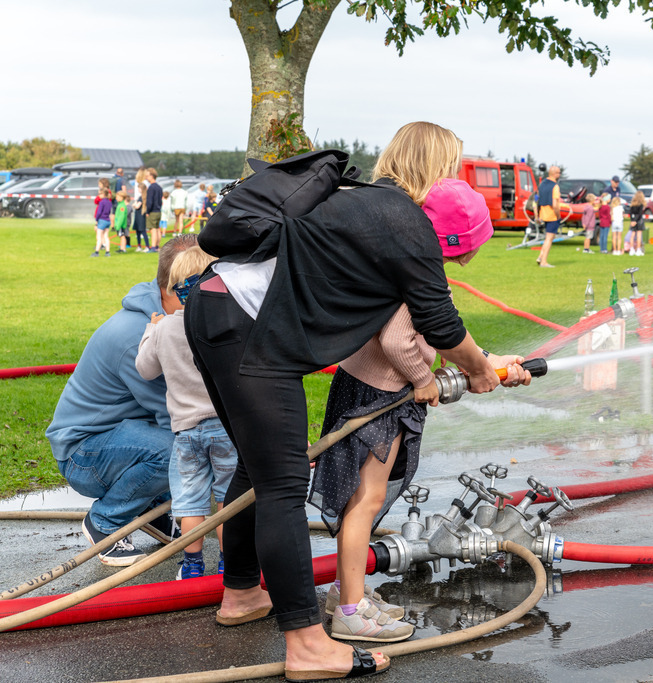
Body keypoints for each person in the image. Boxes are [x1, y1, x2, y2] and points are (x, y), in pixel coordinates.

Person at [183, 121, 530, 680]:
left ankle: (243, 592)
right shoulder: (406, 220)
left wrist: (477, 362)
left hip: (213, 302)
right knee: (283, 484)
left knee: (257, 466)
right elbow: (439, 324)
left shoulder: (358, 199)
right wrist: (479, 370)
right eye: (453, 168)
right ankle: (307, 644)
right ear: (437, 169)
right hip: (249, 327)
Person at [314, 178, 528, 644]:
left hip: (364, 388)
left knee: (358, 501)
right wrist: (422, 378)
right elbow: (397, 340)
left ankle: (346, 593)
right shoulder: (420, 273)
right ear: (458, 240)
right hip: (379, 398)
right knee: (365, 501)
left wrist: (487, 361)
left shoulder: (404, 259)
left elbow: (439, 331)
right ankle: (350, 612)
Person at [46, 236, 196, 566]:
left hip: (115, 437)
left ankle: (152, 511)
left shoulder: (164, 318)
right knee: (181, 448)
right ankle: (105, 522)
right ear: (172, 289)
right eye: (197, 288)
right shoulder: (137, 337)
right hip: (82, 455)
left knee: (187, 445)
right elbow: (175, 414)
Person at [136, 246, 237, 580]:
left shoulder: (165, 328)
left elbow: (145, 369)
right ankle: (229, 563)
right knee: (227, 499)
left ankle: (192, 565)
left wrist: (151, 330)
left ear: (174, 288)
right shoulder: (225, 322)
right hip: (225, 427)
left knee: (190, 502)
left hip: (186, 432)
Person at [536, 165, 561, 268]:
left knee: (548, 237)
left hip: (543, 214)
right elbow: (555, 204)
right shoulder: (555, 186)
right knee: (549, 238)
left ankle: (540, 257)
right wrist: (558, 215)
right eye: (559, 173)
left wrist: (538, 215)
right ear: (555, 174)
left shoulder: (542, 184)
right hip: (552, 215)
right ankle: (544, 262)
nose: (560, 175)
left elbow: (538, 200)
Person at [144, 168, 163, 252]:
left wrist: (147, 211)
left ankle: (153, 247)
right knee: (157, 228)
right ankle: (157, 246)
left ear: (152, 176)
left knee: (153, 229)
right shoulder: (159, 187)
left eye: (147, 176)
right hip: (158, 210)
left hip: (152, 211)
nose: (146, 177)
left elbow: (150, 201)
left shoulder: (151, 187)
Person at [93, 188, 113, 257]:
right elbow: (109, 212)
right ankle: (107, 252)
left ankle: (96, 252)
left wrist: (96, 221)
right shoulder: (109, 202)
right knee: (106, 237)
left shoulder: (101, 202)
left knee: (99, 237)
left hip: (102, 220)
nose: (98, 195)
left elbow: (99, 213)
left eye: (100, 194)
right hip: (108, 220)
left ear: (103, 194)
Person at [133, 169, 148, 251]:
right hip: (138, 215)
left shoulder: (142, 198)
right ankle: (139, 246)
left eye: (139, 189)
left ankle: (147, 246)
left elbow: (137, 206)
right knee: (138, 231)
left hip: (140, 215)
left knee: (142, 231)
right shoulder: (140, 197)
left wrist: (134, 205)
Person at [628, 190, 647, 255]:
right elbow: (639, 214)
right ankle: (638, 250)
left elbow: (630, 213)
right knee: (639, 236)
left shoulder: (632, 205)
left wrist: (632, 220)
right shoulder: (641, 205)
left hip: (633, 220)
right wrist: (636, 221)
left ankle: (631, 249)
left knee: (632, 236)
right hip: (639, 221)